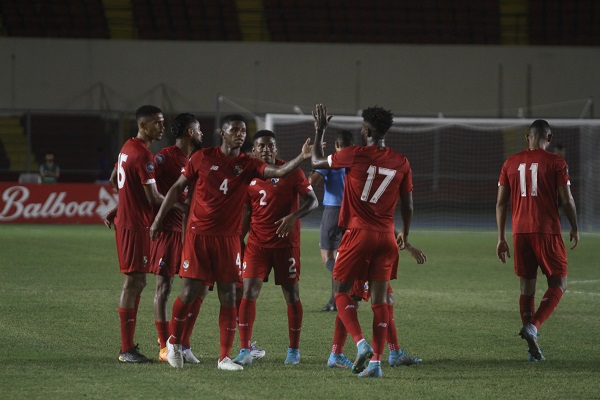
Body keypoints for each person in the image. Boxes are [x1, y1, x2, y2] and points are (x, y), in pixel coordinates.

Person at [150, 114, 313, 371]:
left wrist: (302, 158)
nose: (239, 134)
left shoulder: (248, 164)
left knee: (229, 295)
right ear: (222, 133)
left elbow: (279, 171)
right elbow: (175, 188)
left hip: (228, 240)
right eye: (234, 130)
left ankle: (224, 357)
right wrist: (159, 219)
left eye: (242, 130)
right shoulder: (201, 158)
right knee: (189, 291)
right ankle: (173, 342)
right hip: (199, 234)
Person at [311, 103, 425, 378]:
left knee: (341, 290)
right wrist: (405, 234)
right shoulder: (401, 161)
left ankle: (359, 344)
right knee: (380, 301)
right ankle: (376, 362)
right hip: (386, 236)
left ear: (366, 130)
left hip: (358, 233)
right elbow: (408, 204)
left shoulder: (355, 154)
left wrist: (319, 131)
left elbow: (315, 160)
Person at [232, 129, 318, 366]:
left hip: (285, 245)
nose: (266, 150)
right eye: (261, 146)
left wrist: (294, 216)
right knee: (248, 291)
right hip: (257, 246)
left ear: (276, 149)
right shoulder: (248, 174)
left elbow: (313, 201)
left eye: (270, 146)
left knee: (291, 295)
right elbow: (248, 210)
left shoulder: (292, 171)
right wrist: (239, 239)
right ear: (254, 150)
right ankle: (244, 349)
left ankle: (293, 350)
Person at [496, 119, 579, 362]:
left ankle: (532, 351)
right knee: (559, 282)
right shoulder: (556, 162)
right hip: (547, 231)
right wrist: (574, 226)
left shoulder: (510, 162)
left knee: (527, 288)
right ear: (549, 138)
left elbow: (501, 203)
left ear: (527, 137)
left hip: (519, 232)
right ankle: (534, 326)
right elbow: (567, 201)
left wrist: (501, 237)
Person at [108, 105, 185, 363]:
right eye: (157, 123)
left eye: (162, 122)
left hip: (130, 221)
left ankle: (128, 347)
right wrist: (179, 204)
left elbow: (114, 178)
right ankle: (126, 349)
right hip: (134, 225)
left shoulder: (127, 148)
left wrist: (120, 204)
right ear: (143, 126)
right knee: (134, 282)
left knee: (137, 282)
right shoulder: (143, 155)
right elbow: (153, 197)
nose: (162, 127)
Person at [151, 113, 204, 364]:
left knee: (196, 288)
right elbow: (141, 179)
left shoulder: (199, 159)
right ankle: (164, 345)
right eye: (199, 129)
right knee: (164, 287)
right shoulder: (164, 157)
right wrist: (121, 207)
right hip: (168, 231)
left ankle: (182, 344)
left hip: (191, 232)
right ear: (190, 132)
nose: (203, 133)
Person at [328, 245, 426, 369]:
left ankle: (395, 352)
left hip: (379, 252)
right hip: (360, 250)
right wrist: (408, 246)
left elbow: (388, 227)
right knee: (353, 301)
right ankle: (336, 353)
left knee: (388, 298)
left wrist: (407, 246)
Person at [308, 130, 353, 312]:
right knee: (342, 259)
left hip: (334, 212)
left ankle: (353, 280)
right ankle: (335, 302)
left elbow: (311, 183)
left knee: (328, 258)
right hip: (353, 213)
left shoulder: (330, 161)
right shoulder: (355, 162)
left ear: (336, 145)